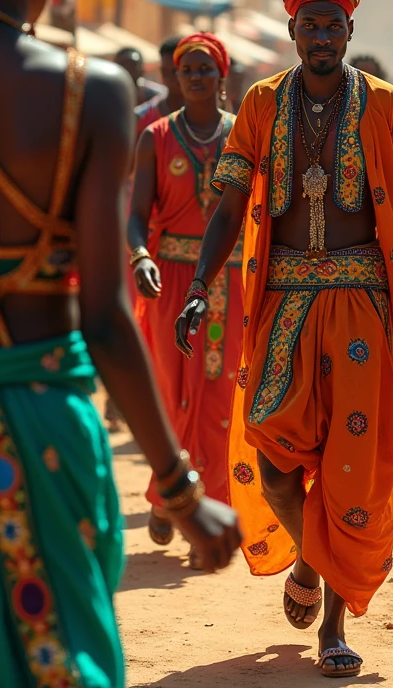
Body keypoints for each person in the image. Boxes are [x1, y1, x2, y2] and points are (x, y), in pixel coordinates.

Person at [0, 0, 240, 686]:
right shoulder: (86, 93)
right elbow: (102, 318)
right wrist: (179, 492)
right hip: (39, 423)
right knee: (61, 651)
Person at [175, 0, 393, 677]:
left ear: (350, 32)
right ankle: (308, 554)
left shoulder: (388, 106)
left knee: (350, 472)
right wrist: (202, 284)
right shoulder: (264, 105)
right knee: (272, 465)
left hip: (364, 300)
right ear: (295, 31)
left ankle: (332, 624)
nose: (322, 35)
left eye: (334, 25)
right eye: (310, 25)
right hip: (284, 304)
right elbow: (230, 205)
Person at [128, 31, 243, 567]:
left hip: (230, 279)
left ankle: (208, 512)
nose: (196, 77)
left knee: (221, 396)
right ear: (175, 77)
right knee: (171, 392)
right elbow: (135, 215)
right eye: (186, 69)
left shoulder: (246, 134)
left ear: (223, 76)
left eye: (206, 68)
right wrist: (140, 256)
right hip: (170, 278)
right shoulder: (154, 137)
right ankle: (167, 492)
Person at [134, 34, 185, 136]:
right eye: (164, 71)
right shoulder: (141, 117)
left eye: (175, 71)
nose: (170, 78)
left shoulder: (206, 118)